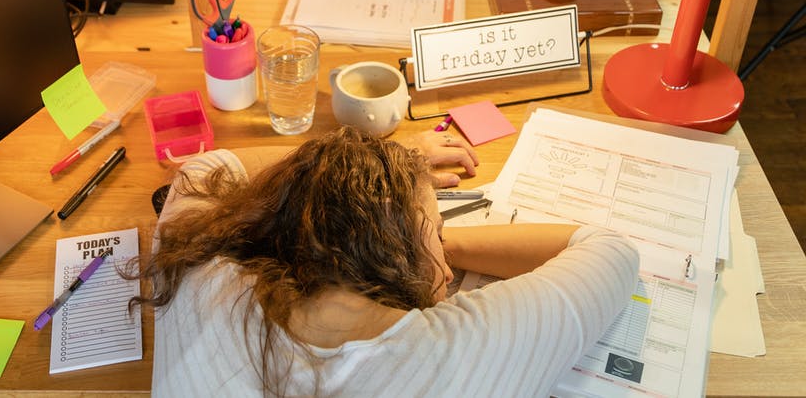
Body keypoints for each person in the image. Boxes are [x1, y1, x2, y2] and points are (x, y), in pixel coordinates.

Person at [131, 126, 640, 397]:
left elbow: (208, 168)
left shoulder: (201, 275)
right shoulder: (463, 352)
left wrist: (374, 166)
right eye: (435, 228)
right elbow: (611, 251)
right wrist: (432, 241)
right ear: (395, 241)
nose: (446, 260)